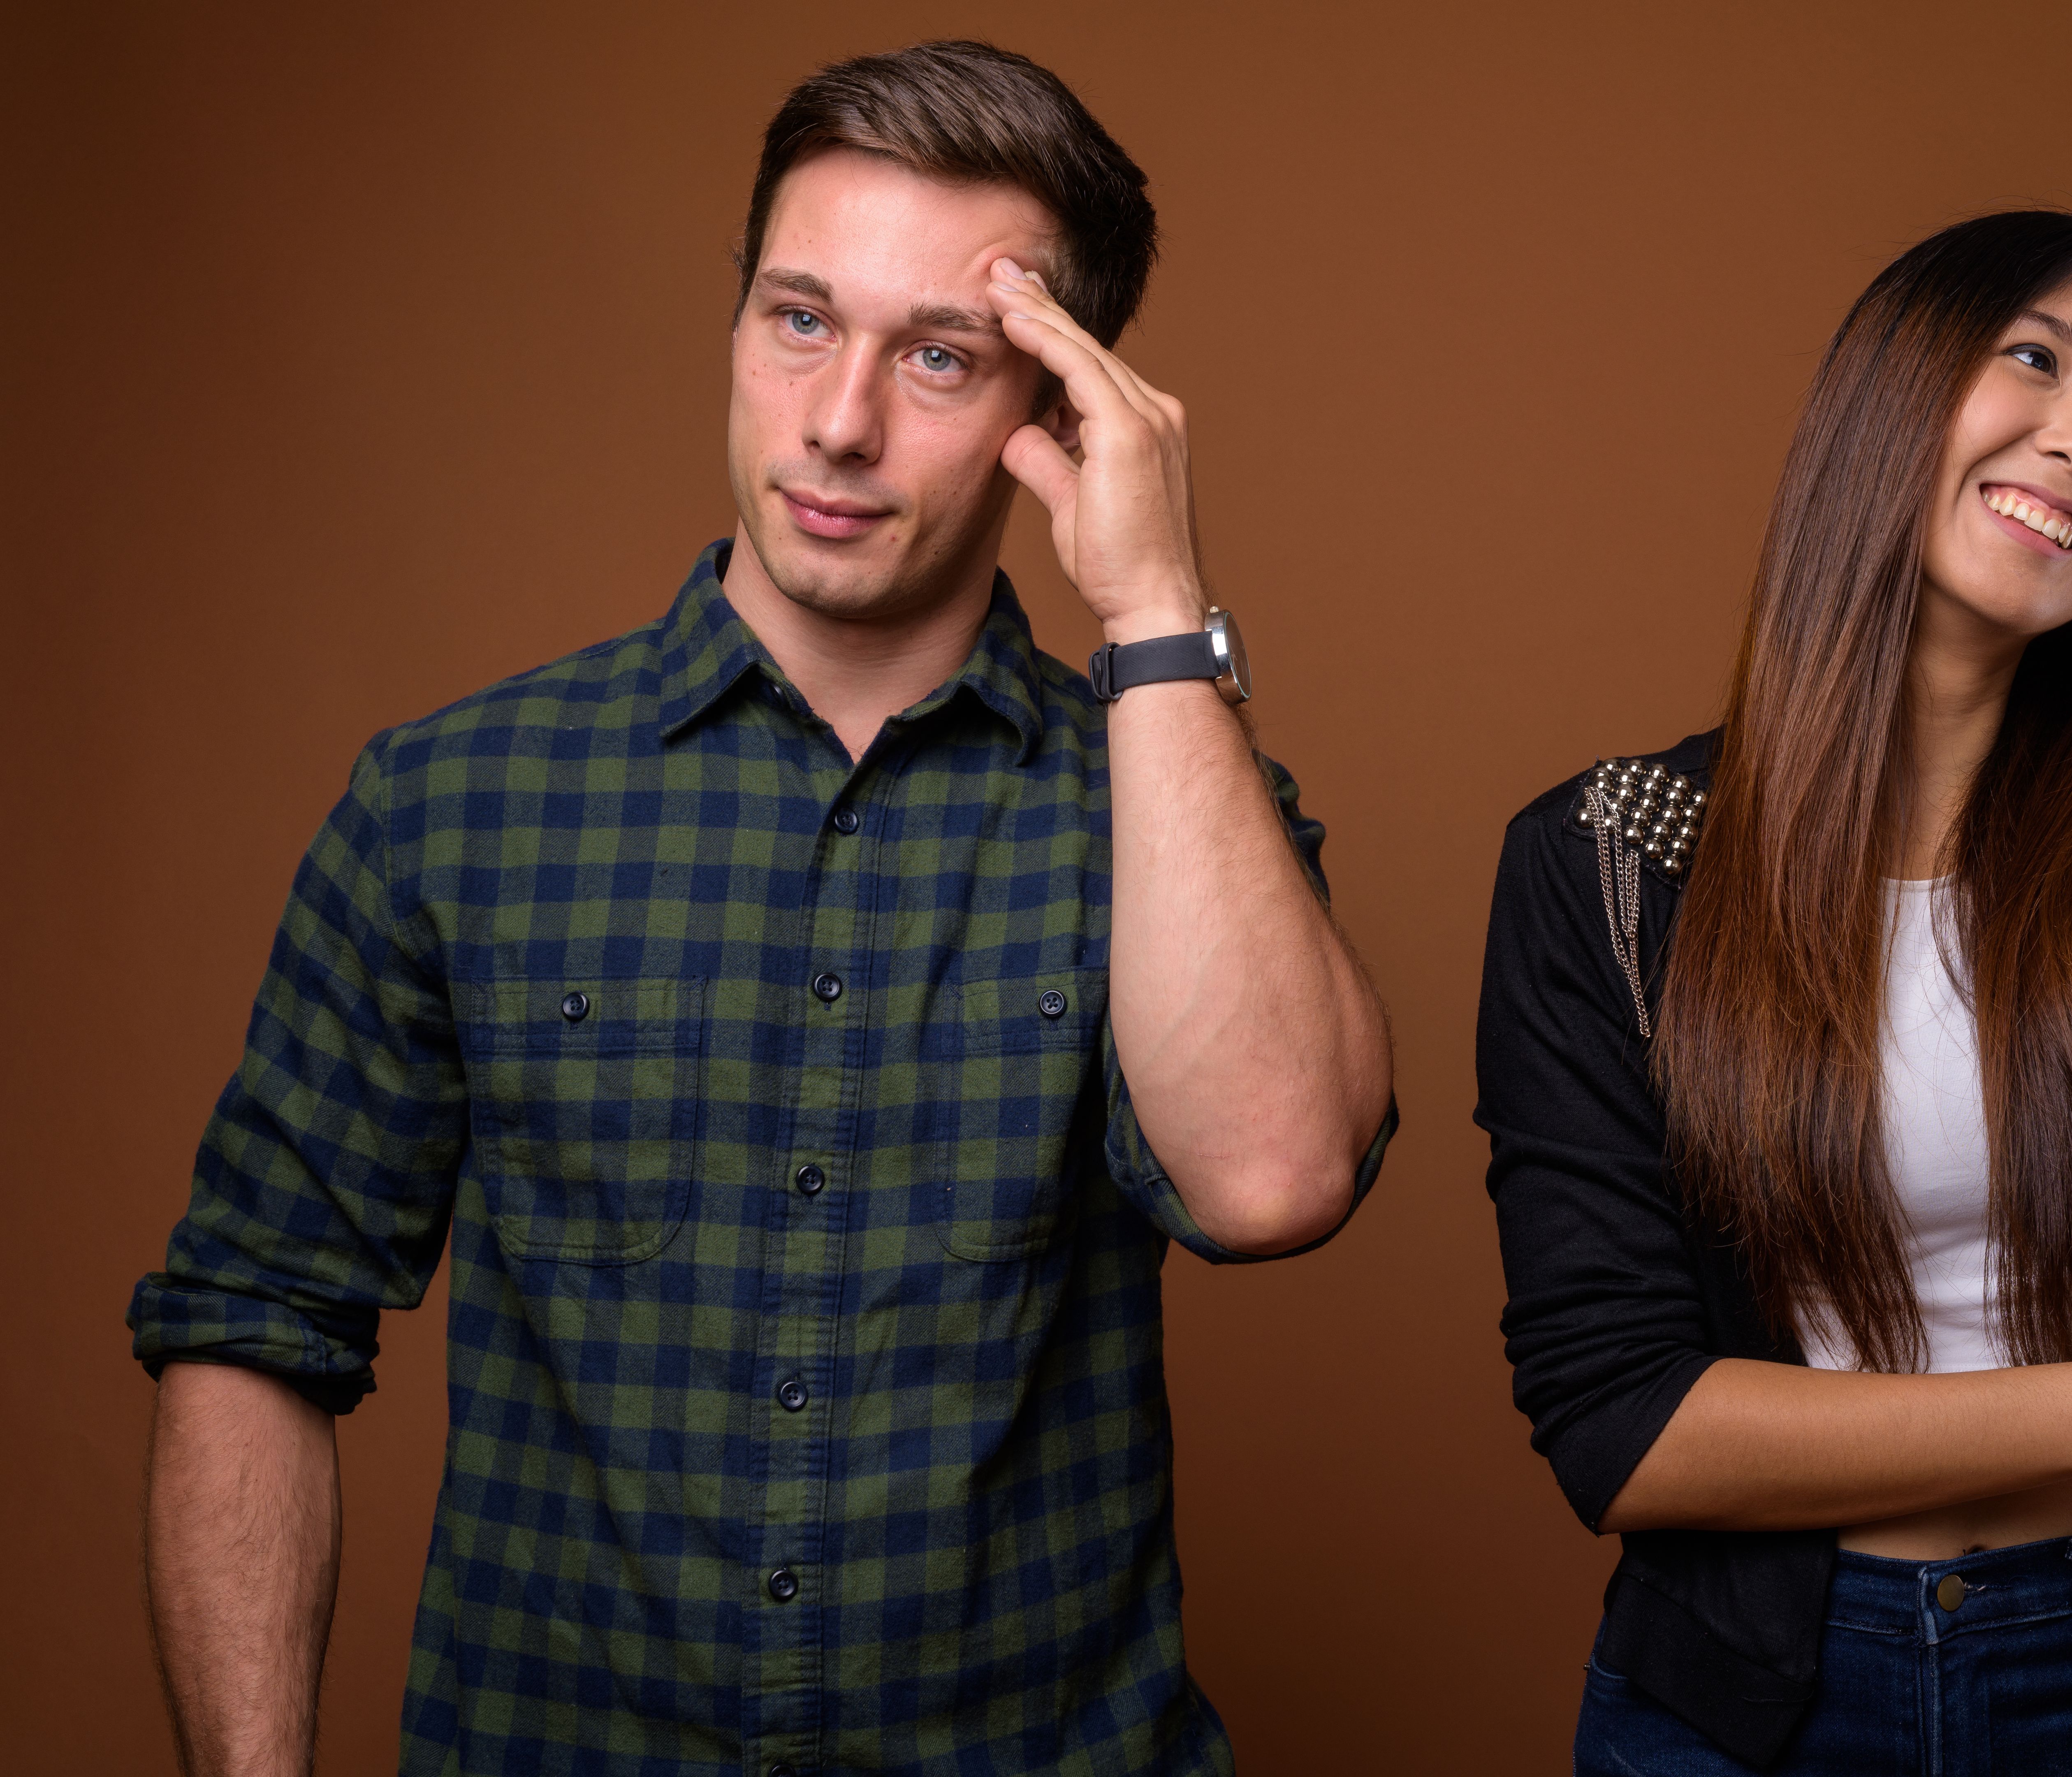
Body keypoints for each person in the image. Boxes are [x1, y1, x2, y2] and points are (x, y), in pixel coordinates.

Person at [130, 40, 1394, 1777]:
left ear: (1058, 416)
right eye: (798, 319)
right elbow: (248, 1330)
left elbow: (1269, 1179)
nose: (839, 422)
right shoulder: (450, 804)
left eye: (939, 357)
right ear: (736, 318)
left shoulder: (1168, 817)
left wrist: (1157, 607)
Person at [1478, 210, 2072, 1774]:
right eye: (2034, 361)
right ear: (1888, 398)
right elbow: (1627, 1429)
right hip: (1743, 1705)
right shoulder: (1605, 858)